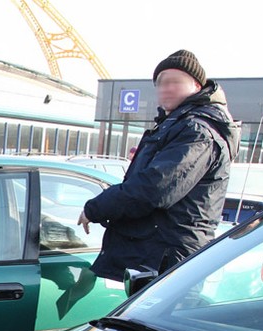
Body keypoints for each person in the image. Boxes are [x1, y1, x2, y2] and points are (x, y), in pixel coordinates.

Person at [77, 50, 239, 282]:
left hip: (171, 261)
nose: (166, 88)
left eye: (175, 82)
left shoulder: (197, 131)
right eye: (161, 83)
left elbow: (154, 188)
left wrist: (95, 208)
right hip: (155, 255)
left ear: (196, 85)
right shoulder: (174, 125)